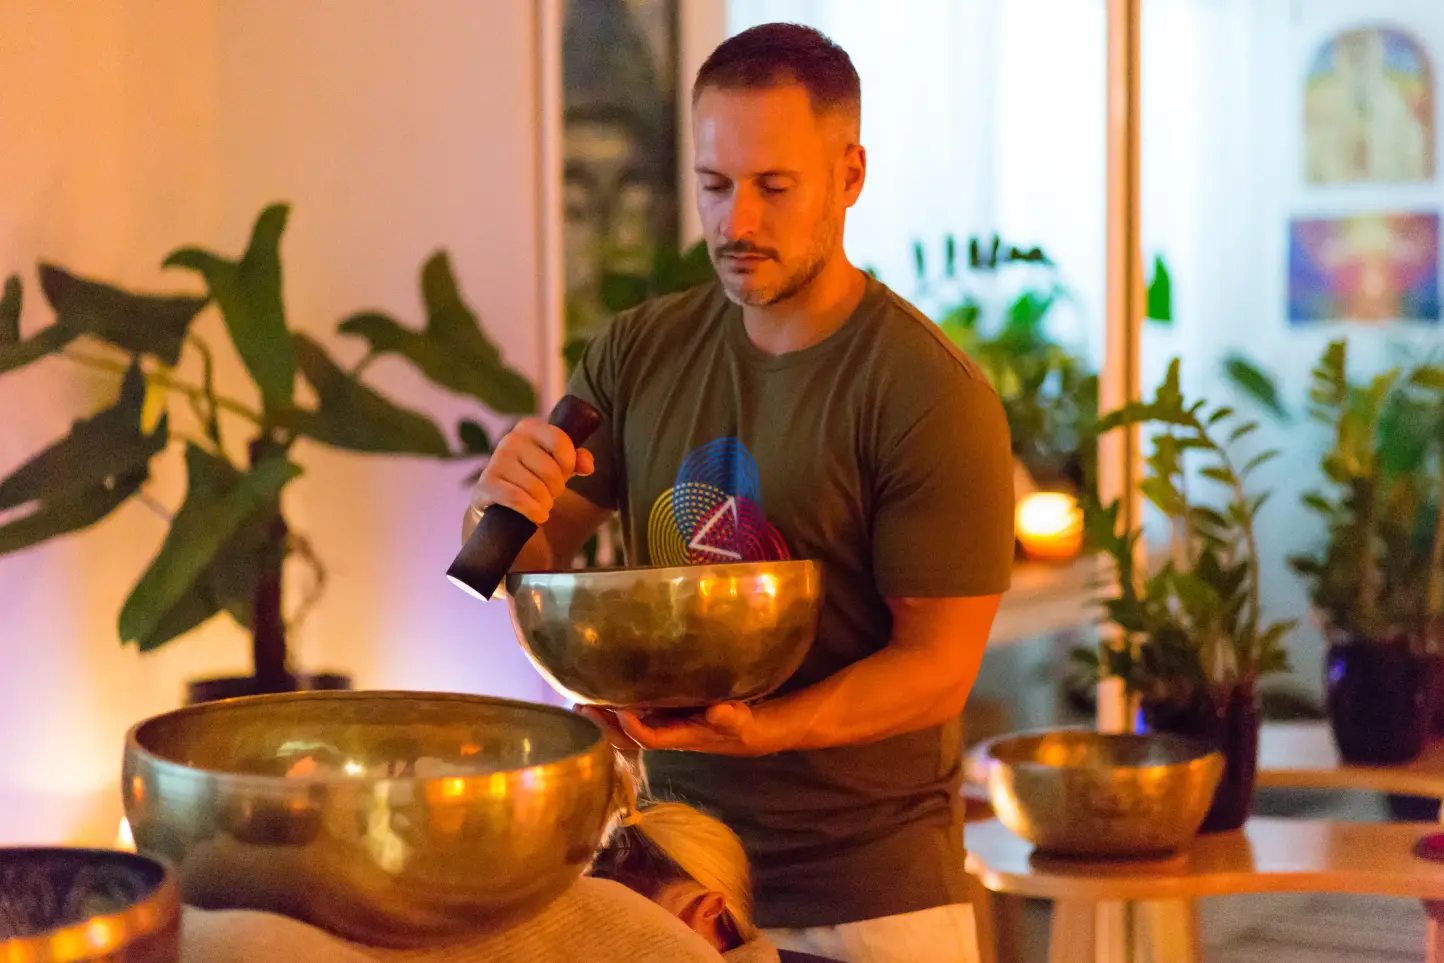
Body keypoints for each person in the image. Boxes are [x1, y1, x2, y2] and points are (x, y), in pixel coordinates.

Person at [464, 21, 1014, 963]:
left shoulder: (929, 392)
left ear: (849, 177)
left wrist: (766, 731)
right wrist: (495, 505)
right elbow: (523, 555)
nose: (736, 224)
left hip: (871, 898)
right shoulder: (638, 350)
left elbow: (937, 666)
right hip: (671, 881)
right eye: (715, 187)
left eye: (772, 188)